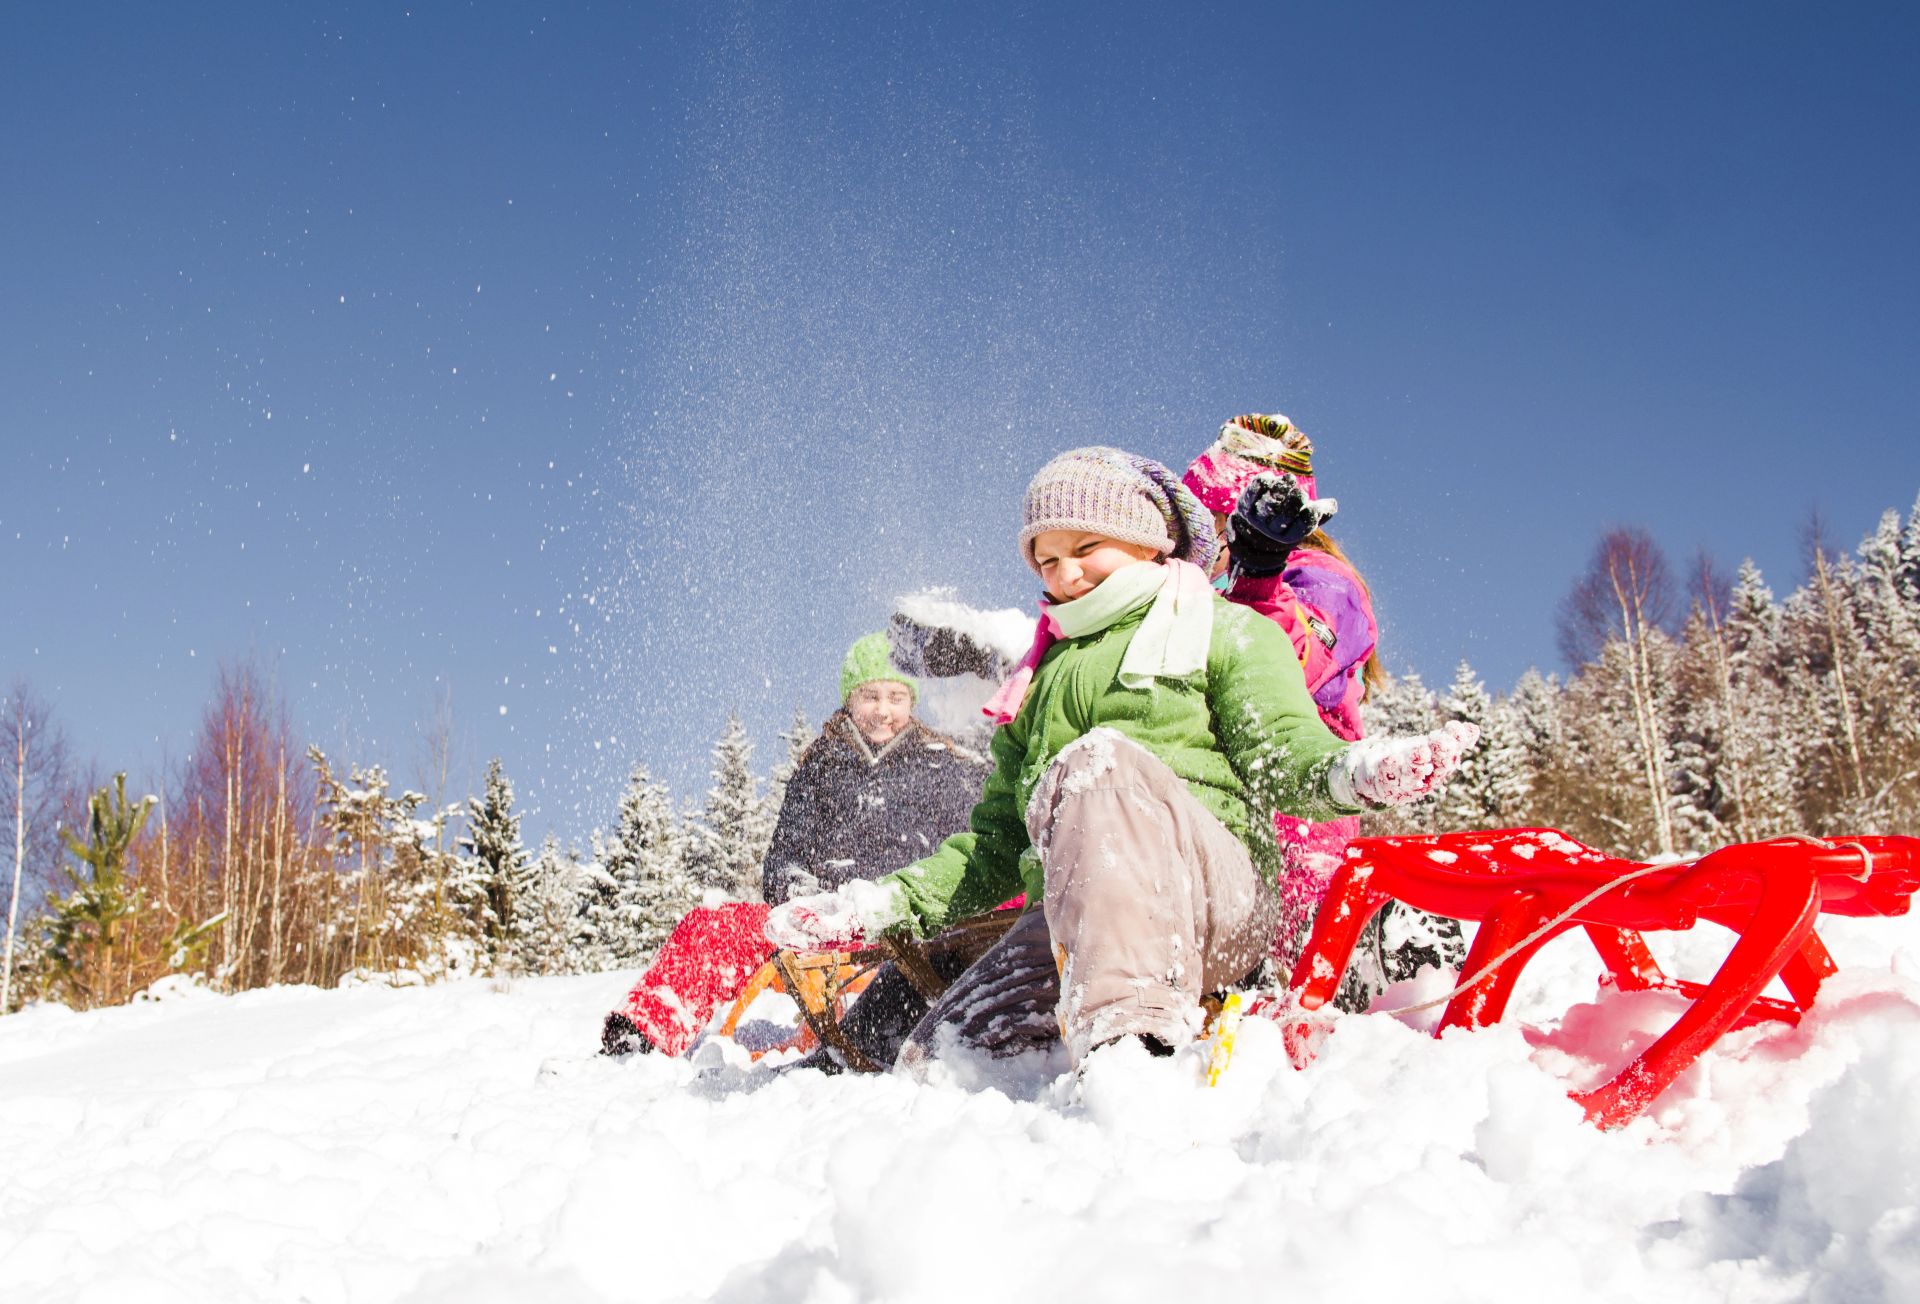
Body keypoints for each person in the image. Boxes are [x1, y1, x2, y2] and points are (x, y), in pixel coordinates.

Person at [762, 446, 1477, 1072]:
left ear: (1144, 542)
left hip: (1209, 900)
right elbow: (990, 846)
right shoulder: (1038, 683)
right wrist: (878, 901)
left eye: (1086, 548)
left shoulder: (1221, 629)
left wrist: (1356, 772)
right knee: (944, 1065)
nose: (1066, 573)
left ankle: (1133, 1059)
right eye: (1046, 559)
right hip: (1075, 913)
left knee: (1098, 763)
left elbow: (1284, 756)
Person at [600, 634, 987, 1057]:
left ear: (911, 701)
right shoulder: (820, 767)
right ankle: (640, 1037)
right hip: (819, 922)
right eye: (870, 695)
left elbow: (975, 852)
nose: (883, 710)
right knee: (717, 926)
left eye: (895, 696)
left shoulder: (943, 767)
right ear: (849, 699)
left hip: (904, 921)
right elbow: (783, 858)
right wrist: (800, 894)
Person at [1183, 414, 1461, 998]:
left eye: (1211, 521)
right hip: (1216, 816)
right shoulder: (1206, 590)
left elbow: (1294, 656)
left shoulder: (1323, 583)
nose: (1199, 540)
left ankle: (1376, 966)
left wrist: (1261, 576)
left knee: (1297, 978)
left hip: (1298, 824)